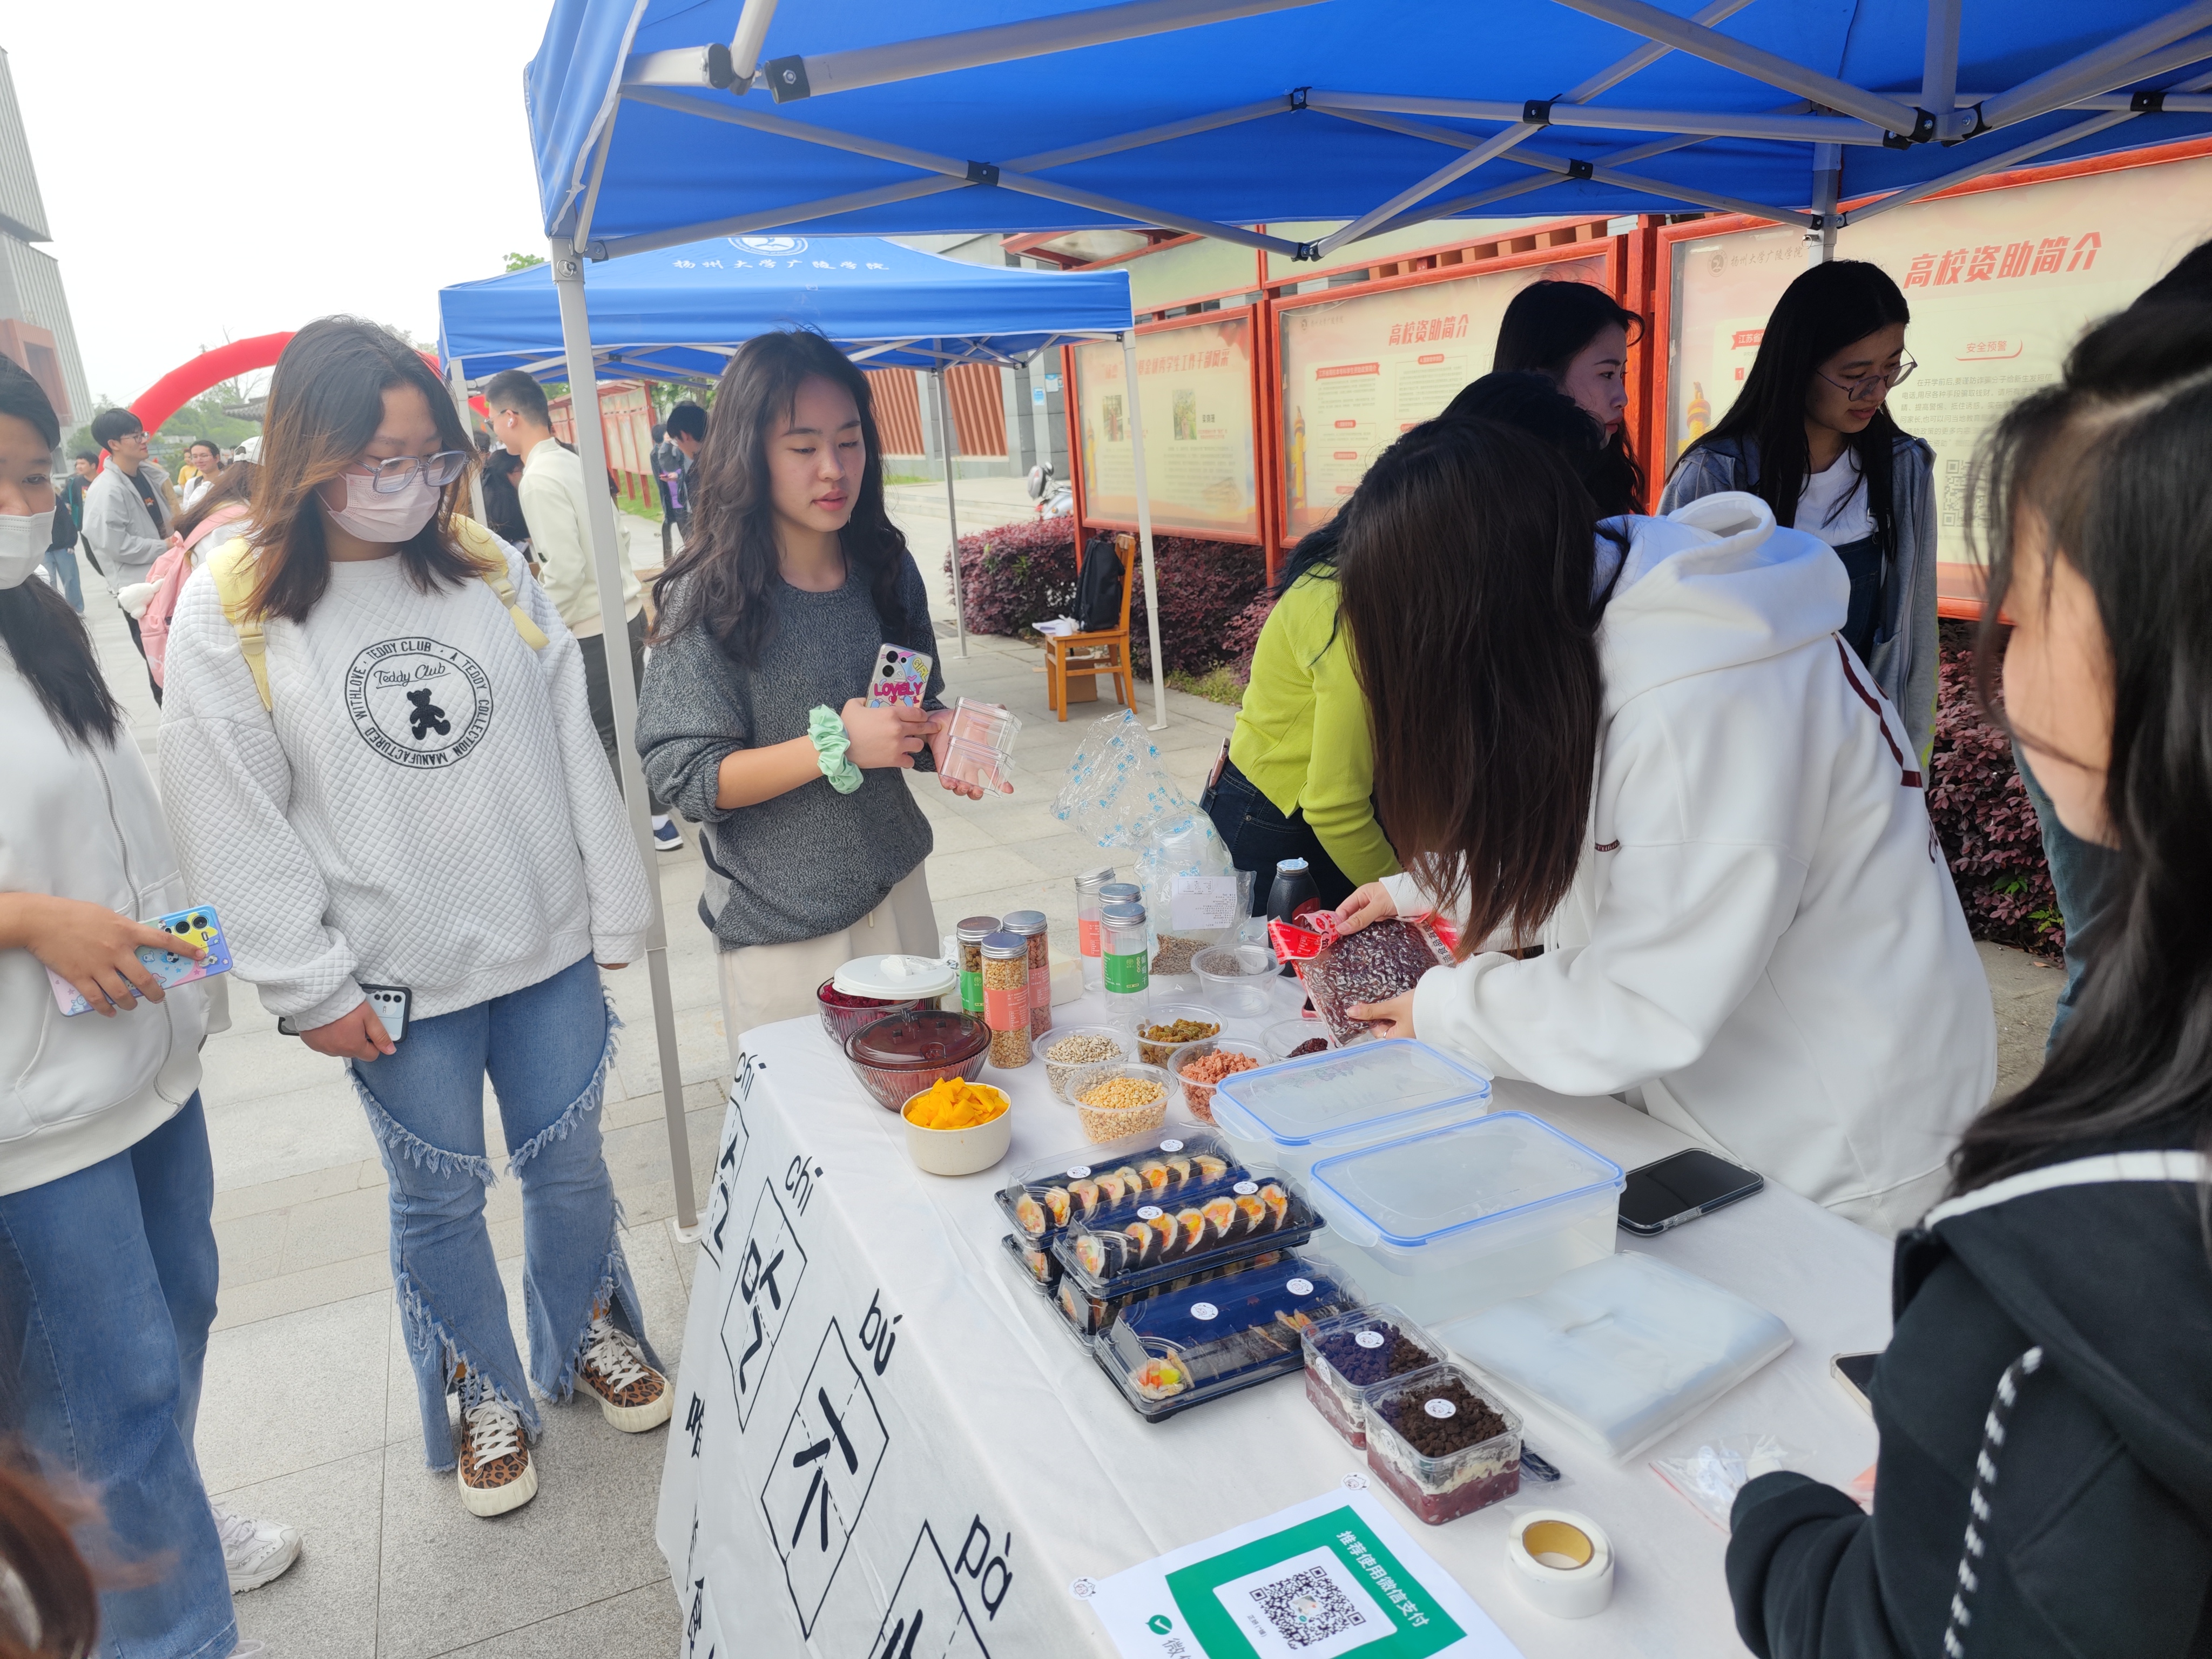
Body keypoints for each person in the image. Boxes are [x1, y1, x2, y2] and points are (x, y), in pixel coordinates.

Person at [1723, 294, 2212, 1659]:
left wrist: (1768, 1510)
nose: (1994, 653)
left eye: (2032, 599)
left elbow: (1891, 1625)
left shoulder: (2073, 1277)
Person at [158, 318, 666, 1518]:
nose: (410, 484)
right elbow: (229, 811)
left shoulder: (484, 564)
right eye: (379, 459)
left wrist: (614, 907)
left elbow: (571, 739)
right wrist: (307, 985)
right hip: (390, 976)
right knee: (437, 1197)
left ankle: (586, 1327)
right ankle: (480, 1382)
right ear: (308, 452)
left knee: (570, 1165)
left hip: (541, 942)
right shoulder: (234, 606)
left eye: (430, 458)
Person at [1328, 416, 1992, 1236]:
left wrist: (1446, 1012)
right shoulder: (1613, 599)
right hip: (1759, 1083)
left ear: (1472, 626)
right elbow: (1610, 838)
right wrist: (1435, 891)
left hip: (1838, 1142)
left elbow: (1645, 999)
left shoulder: (1703, 703)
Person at [0, 354, 300, 1658]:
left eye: (35, 480)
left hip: (141, 1058)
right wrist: (25, 918)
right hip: (33, 1116)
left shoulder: (35, 618)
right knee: (105, 1390)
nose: (26, 509)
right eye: (3, 482)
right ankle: (160, 1622)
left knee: (168, 1334)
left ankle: (148, 1524)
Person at [636, 330, 995, 1066]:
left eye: (850, 442)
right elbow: (686, 779)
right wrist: (835, 746)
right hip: (783, 934)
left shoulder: (885, 566)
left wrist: (939, 735)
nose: (833, 469)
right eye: (803, 447)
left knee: (922, 1108)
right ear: (749, 454)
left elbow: (911, 704)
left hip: (898, 895)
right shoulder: (705, 596)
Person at [1208, 372, 1610, 916]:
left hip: (1332, 810)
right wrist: (1426, 907)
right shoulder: (1353, 606)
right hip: (1274, 817)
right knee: (1286, 959)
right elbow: (1334, 805)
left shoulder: (1434, 592)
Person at [1660, 260, 1937, 764]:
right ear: (1796, 365)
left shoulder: (1903, 468)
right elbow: (1675, 641)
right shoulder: (1715, 477)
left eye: (1891, 369)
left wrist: (1908, 762)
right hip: (1745, 754)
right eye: (1855, 375)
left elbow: (1914, 633)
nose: (1877, 392)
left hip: (1860, 751)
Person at [482, 370, 682, 854]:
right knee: (631, 722)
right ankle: (658, 815)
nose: (494, 430)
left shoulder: (539, 478)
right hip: (626, 611)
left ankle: (642, 828)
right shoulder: (573, 461)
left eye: (492, 421)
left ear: (511, 417)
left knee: (603, 734)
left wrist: (546, 627)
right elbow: (619, 536)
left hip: (592, 626)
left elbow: (565, 571)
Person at [1493, 279, 1647, 517]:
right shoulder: (1481, 486)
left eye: (1621, 375)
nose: (1622, 399)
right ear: (1540, 376)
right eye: (1607, 374)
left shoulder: (1604, 475)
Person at [82, 408, 173, 699]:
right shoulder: (106, 489)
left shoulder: (147, 475)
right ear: (114, 444)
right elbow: (115, 544)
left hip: (163, 579)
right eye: (135, 436)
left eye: (142, 433)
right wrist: (165, 546)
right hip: (140, 593)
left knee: (178, 656)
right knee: (160, 664)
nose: (144, 440)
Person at [663, 400, 705, 542]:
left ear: (685, 435)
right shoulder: (731, 456)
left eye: (676, 441)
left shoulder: (701, 470)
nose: (679, 447)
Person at [480, 446, 531, 559]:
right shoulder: (508, 507)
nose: (525, 475)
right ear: (506, 472)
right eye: (521, 470)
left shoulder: (487, 497)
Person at [178, 439, 221, 512]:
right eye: (195, 457)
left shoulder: (230, 480)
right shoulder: (192, 484)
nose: (199, 460)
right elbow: (187, 511)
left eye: (204, 456)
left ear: (217, 458)